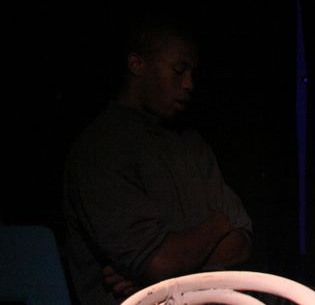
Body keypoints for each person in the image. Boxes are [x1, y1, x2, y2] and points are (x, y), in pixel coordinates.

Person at [63, 16, 253, 304]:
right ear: (137, 64)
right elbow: (158, 262)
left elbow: (241, 244)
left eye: (192, 73)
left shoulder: (191, 144)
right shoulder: (100, 148)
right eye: (178, 71)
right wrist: (217, 224)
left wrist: (166, 271)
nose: (188, 84)